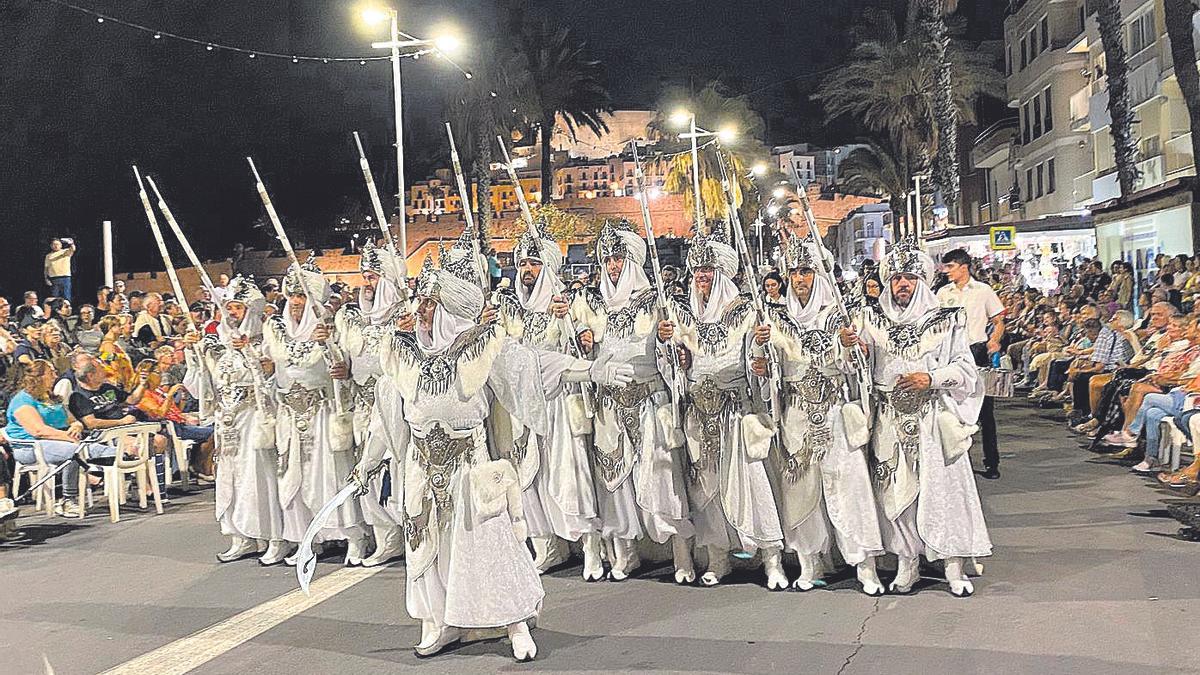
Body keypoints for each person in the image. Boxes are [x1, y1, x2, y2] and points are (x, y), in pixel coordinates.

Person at [351, 231, 633, 661]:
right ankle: (439, 623)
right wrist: (366, 466)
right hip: (422, 469)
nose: (421, 312)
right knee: (427, 548)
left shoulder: (481, 349)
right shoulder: (402, 356)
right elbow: (384, 417)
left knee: (488, 546)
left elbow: (536, 366)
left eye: (429, 305)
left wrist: (592, 371)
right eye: (421, 304)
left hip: (471, 465)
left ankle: (514, 622)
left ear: (448, 310)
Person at [857, 240, 991, 597]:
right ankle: (907, 562)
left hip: (931, 417)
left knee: (942, 493)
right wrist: (851, 350)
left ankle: (952, 566)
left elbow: (966, 371)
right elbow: (858, 371)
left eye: (911, 277)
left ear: (922, 281)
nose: (903, 284)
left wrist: (929, 379)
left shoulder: (946, 321)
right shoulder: (871, 321)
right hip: (888, 419)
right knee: (896, 495)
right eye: (897, 277)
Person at [755, 237, 886, 595]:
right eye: (794, 272)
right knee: (800, 489)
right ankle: (809, 560)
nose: (800, 279)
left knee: (849, 486)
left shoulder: (840, 315)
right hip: (796, 413)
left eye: (807, 272)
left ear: (820, 275)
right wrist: (762, 357)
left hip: (832, 412)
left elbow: (857, 367)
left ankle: (864, 564)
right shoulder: (774, 319)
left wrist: (848, 347)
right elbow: (769, 373)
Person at [572, 219, 695, 583]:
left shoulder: (656, 301)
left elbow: (677, 354)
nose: (612, 266)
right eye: (607, 259)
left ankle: (681, 554)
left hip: (648, 400)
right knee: (615, 480)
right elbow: (584, 348)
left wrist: (665, 340)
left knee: (662, 475)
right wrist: (583, 342)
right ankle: (625, 553)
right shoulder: (592, 303)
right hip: (611, 404)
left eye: (618, 258)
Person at [665, 232, 786, 589]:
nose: (702, 276)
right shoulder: (682, 314)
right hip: (699, 415)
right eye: (697, 269)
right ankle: (718, 557)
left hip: (735, 411)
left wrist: (762, 359)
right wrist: (677, 358)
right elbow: (675, 365)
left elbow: (758, 363)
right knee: (706, 490)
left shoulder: (748, 312)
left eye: (709, 269)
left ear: (722, 274)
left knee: (751, 483)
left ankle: (771, 560)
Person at [495, 226, 604, 579]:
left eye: (534, 264)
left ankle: (591, 548)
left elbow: (588, 351)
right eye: (523, 264)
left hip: (560, 401)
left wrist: (570, 323)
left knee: (570, 473)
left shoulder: (572, 303)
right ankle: (546, 547)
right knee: (528, 476)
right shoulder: (509, 310)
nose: (527, 271)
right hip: (523, 405)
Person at [263, 261, 368, 566]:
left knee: (330, 477)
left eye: (302, 298)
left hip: (322, 415)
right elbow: (270, 377)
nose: (296, 303)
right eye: (293, 297)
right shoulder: (276, 332)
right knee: (292, 480)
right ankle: (306, 540)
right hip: (290, 419)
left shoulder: (329, 330)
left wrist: (332, 351)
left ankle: (353, 538)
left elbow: (343, 372)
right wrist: (267, 372)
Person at [196, 276, 287, 564]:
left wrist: (251, 352)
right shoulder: (220, 344)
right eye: (228, 307)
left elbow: (273, 380)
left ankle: (276, 537)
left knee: (259, 478)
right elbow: (206, 385)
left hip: (255, 419)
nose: (232, 312)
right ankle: (241, 536)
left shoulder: (266, 341)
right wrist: (198, 355)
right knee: (230, 480)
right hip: (227, 422)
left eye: (237, 307)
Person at [333, 239, 409, 567]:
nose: (367, 283)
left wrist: (410, 335)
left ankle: (414, 537)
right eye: (365, 276)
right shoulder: (355, 324)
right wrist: (344, 371)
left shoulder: (406, 315)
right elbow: (353, 369)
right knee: (369, 474)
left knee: (400, 476)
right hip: (365, 410)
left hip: (399, 412)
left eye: (374, 277)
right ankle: (384, 540)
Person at [4, 359, 116, 517]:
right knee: (75, 451)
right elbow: (39, 431)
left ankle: (116, 455)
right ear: (39, 377)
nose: (56, 375)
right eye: (51, 373)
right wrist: (67, 437)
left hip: (59, 440)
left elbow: (73, 420)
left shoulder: (51, 397)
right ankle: (67, 500)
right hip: (31, 446)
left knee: (86, 448)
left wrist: (76, 426)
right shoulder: (22, 400)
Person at [937, 249, 1005, 480]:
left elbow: (998, 321)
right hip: (951, 355)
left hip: (977, 351)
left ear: (963, 267)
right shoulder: (943, 293)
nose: (946, 272)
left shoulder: (983, 291)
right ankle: (957, 461)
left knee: (985, 410)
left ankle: (991, 461)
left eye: (950, 267)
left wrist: (995, 339)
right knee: (952, 408)